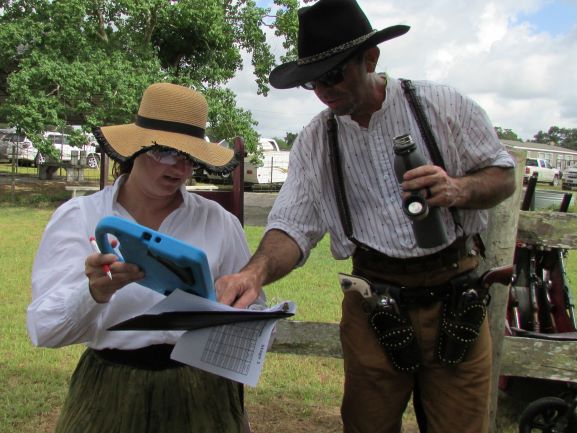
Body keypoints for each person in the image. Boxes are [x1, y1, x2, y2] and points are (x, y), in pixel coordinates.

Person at [216, 0, 516, 432]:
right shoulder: (316, 140)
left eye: (334, 74)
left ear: (370, 59)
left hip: (455, 298)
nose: (324, 90)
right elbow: (293, 226)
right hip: (375, 304)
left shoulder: (440, 105)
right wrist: (254, 273)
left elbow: (502, 176)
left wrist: (458, 189)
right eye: (313, 81)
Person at [27, 83, 252, 433]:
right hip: (109, 393)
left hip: (203, 393)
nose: (180, 168)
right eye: (166, 152)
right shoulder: (79, 217)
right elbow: (44, 330)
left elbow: (252, 311)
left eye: (189, 156)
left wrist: (235, 309)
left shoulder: (219, 222)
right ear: (136, 149)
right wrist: (94, 293)